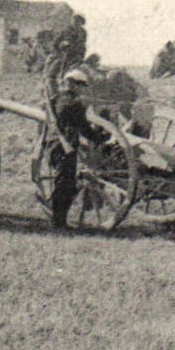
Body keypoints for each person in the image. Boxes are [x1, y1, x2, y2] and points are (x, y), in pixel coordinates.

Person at [49, 68, 114, 229]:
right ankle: (58, 222)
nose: (81, 89)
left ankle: (60, 220)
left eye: (82, 86)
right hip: (61, 146)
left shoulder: (66, 99)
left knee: (67, 184)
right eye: (79, 85)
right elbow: (81, 126)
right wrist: (101, 137)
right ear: (70, 84)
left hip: (66, 147)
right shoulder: (66, 100)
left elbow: (82, 127)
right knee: (63, 184)